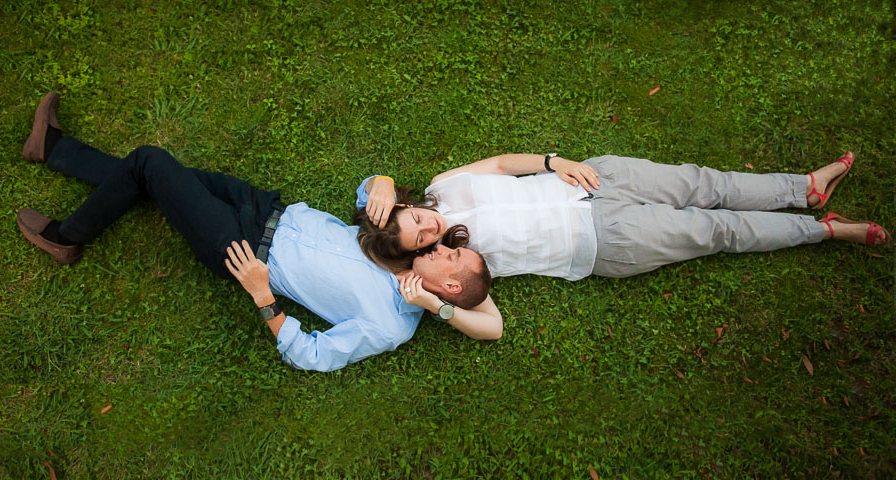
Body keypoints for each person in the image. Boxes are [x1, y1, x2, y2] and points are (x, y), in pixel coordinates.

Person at [15, 92, 501, 372]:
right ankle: (52, 148)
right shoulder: (405, 248)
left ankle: (65, 235)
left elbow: (313, 355)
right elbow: (366, 196)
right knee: (154, 182)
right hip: (262, 206)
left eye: (451, 259)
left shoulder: (392, 324)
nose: (441, 248)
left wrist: (263, 296)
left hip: (239, 246)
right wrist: (384, 183)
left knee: (150, 162)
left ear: (451, 287)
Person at [353, 151, 890, 282]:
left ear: (405, 204)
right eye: (417, 240)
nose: (428, 230)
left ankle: (804, 188)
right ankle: (819, 230)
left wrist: (551, 160)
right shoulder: (445, 262)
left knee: (705, 183)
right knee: (714, 229)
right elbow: (407, 285)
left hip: (591, 178)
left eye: (415, 219)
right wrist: (402, 264)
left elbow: (497, 163)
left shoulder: (438, 187)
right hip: (603, 239)